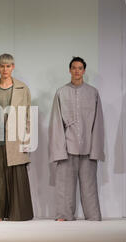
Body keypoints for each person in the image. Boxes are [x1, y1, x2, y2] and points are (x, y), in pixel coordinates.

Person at [48, 56, 105, 221]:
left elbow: (98, 122)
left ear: (84, 71)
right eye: (74, 68)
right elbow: (56, 122)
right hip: (67, 146)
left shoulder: (93, 92)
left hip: (88, 146)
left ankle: (93, 215)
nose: (77, 71)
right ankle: (64, 215)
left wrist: (96, 148)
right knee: (64, 185)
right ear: (70, 70)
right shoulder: (61, 92)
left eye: (80, 68)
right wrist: (59, 150)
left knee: (90, 185)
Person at [0, 53, 34, 221]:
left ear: (13, 67)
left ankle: (16, 214)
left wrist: (27, 141)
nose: (5, 69)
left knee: (16, 179)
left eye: (8, 66)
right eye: (2, 66)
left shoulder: (22, 89)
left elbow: (27, 116)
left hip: (16, 141)